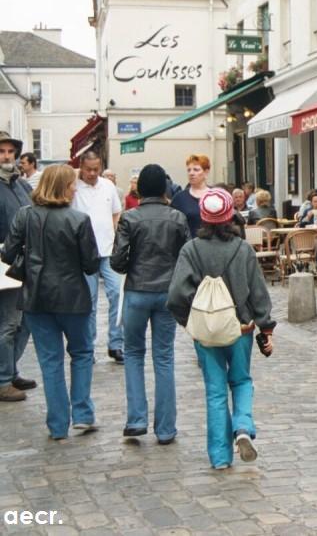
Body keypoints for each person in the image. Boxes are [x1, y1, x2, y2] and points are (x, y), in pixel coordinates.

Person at [166, 189, 275, 470]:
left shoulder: (190, 250)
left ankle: (220, 457)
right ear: (230, 217)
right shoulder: (242, 249)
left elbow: (176, 295)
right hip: (240, 327)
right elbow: (259, 293)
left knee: (215, 390)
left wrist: (189, 321)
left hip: (206, 332)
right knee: (241, 380)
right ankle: (242, 426)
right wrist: (266, 327)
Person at [3, 165, 100, 439]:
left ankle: (57, 424)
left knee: (50, 361)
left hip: (36, 297)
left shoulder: (25, 216)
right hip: (73, 297)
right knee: (81, 354)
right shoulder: (78, 219)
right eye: (72, 184)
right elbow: (91, 265)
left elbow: (8, 254)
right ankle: (82, 414)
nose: (74, 188)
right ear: (63, 187)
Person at [110, 164, 190, 444]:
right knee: (164, 357)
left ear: (140, 189)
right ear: (164, 189)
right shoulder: (178, 218)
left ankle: (136, 419)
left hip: (137, 291)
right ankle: (166, 428)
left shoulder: (130, 219)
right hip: (166, 291)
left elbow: (117, 262)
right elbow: (186, 257)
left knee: (133, 353)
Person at [72, 151, 125, 363]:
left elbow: (116, 212)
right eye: (88, 169)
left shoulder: (108, 186)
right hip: (84, 253)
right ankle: (88, 346)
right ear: (81, 167)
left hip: (108, 249)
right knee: (89, 301)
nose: (93, 173)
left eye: (96, 169)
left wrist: (115, 235)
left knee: (117, 295)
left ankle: (116, 343)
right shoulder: (74, 187)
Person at [0, 132, 35, 402]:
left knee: (25, 322)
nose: (7, 156)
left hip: (26, 260)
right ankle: (2, 379)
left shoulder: (21, 186)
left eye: (11, 151)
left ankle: (10, 371)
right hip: (3, 261)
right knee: (9, 322)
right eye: (2, 151)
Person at [170, 154, 212, 237]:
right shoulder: (179, 199)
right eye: (189, 170)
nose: (191, 173)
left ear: (206, 172)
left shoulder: (216, 195)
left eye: (196, 170)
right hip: (188, 247)